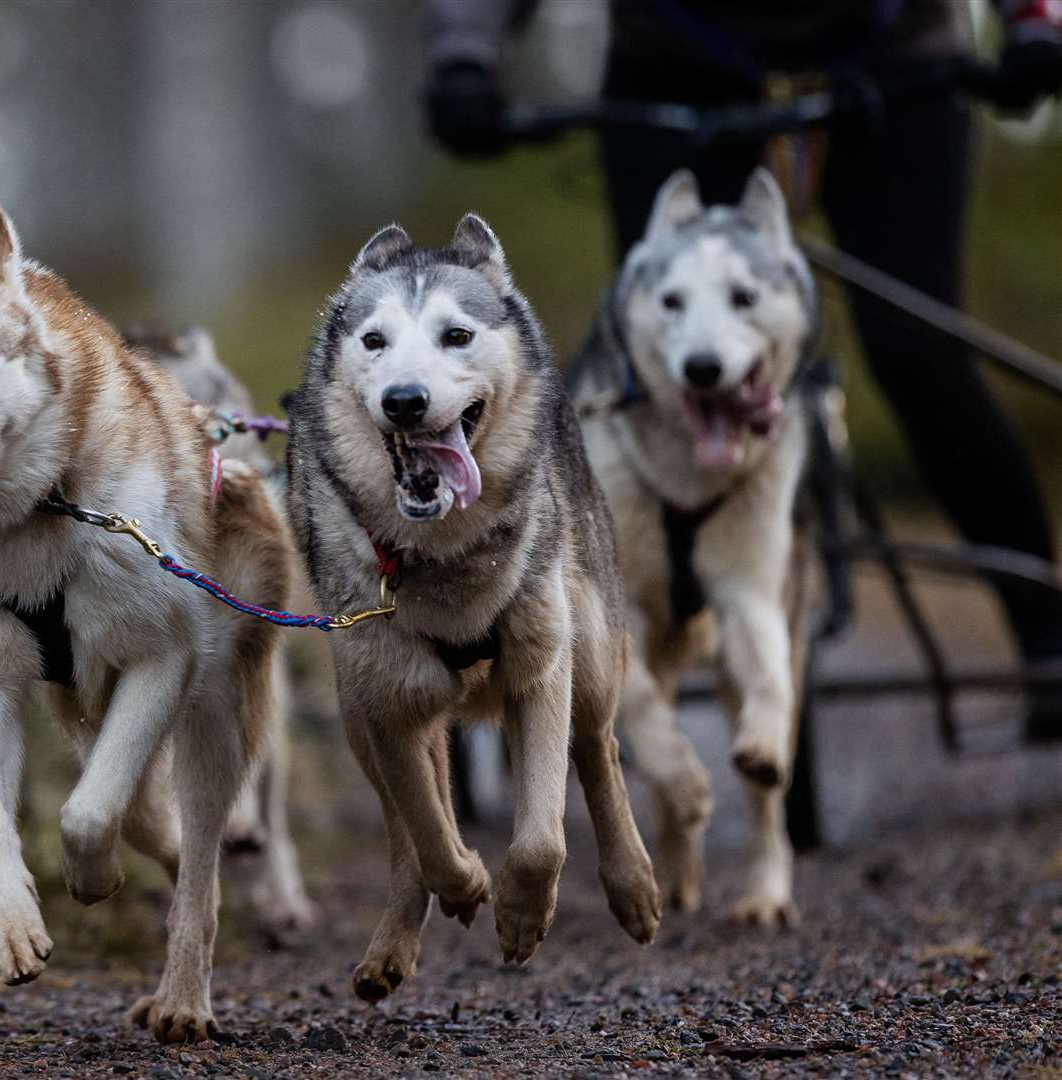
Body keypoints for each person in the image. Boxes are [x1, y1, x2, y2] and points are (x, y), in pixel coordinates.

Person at [423, 0, 1062, 741]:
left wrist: (1033, 23)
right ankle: (597, 612)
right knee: (655, 359)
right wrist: (463, 59)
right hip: (679, 68)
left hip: (896, 61)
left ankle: (1045, 631)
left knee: (919, 348)